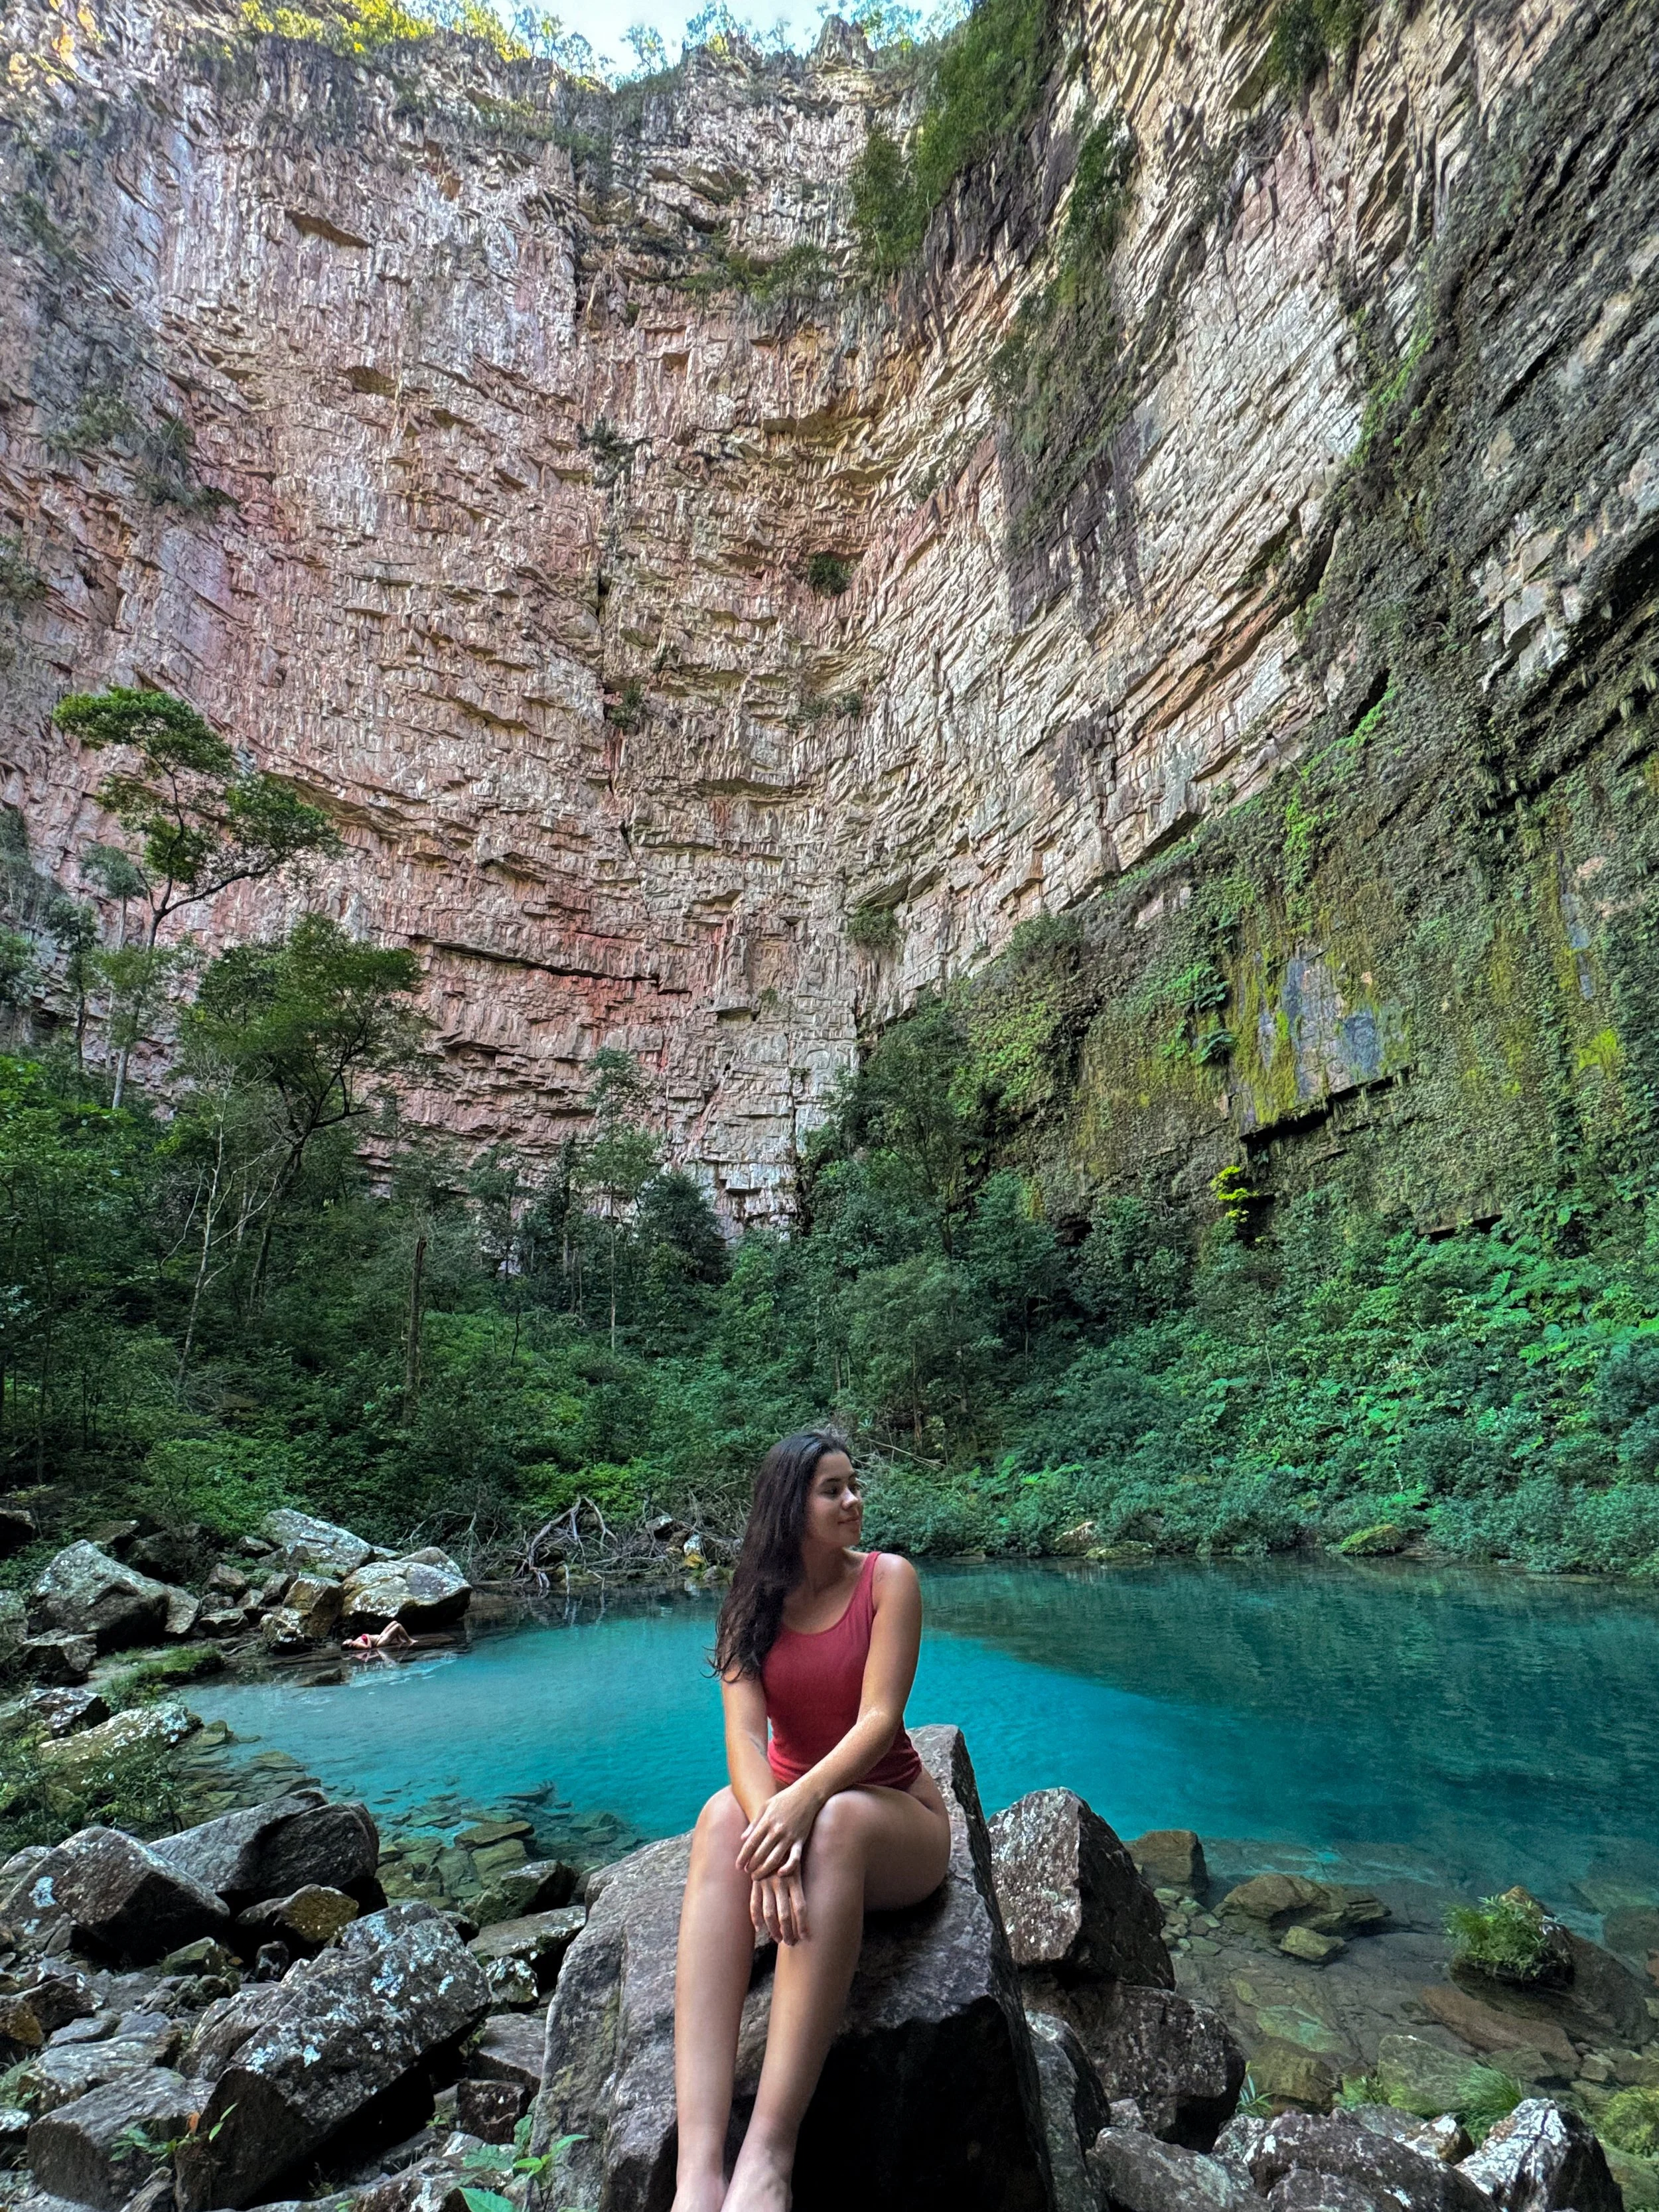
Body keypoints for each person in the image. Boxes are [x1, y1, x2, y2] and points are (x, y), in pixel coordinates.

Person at [672, 1430, 951, 2212]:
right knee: (720, 1818)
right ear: (789, 1506)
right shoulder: (749, 1604)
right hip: (798, 1814)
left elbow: (878, 1720)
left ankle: (767, 2157)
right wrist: (771, 1838)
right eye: (833, 1489)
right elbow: (743, 1738)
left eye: (853, 1485)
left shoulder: (889, 1581)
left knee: (829, 1827)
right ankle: (698, 2170)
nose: (853, 1500)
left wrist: (800, 1806)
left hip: (896, 1823)